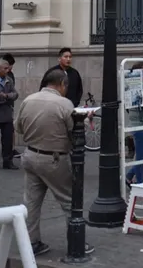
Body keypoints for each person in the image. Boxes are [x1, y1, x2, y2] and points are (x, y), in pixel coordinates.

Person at [15, 68, 93, 257]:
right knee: (69, 201)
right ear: (62, 84)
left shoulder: (28, 100)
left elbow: (18, 127)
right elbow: (76, 133)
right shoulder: (64, 104)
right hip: (55, 158)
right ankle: (76, 243)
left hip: (31, 155)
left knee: (31, 203)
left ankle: (31, 242)